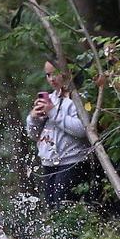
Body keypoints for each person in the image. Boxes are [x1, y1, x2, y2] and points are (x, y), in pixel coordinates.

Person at [26, 60, 98, 205]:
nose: (51, 79)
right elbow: (33, 135)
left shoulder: (79, 99)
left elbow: (83, 130)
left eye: (55, 74)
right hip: (49, 163)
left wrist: (52, 112)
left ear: (67, 72)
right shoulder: (50, 99)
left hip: (72, 162)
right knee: (52, 209)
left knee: (64, 207)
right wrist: (33, 118)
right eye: (48, 75)